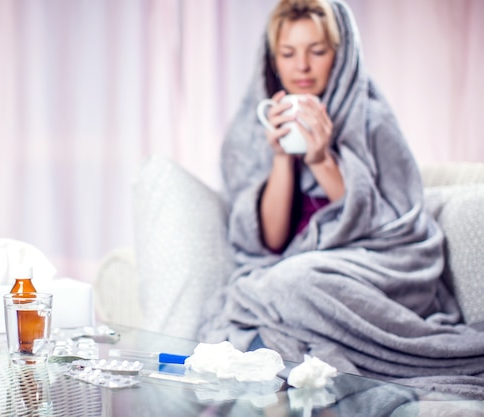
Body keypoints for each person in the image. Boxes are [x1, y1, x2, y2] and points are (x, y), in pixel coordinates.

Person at [198, 0, 484, 399]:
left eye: (317, 51)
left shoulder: (371, 119)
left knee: (285, 284)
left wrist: (321, 158)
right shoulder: (253, 128)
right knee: (273, 290)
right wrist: (283, 156)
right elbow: (270, 242)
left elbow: (389, 226)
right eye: (288, 53)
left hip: (369, 262)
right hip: (293, 267)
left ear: (341, 53)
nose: (302, 67)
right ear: (272, 59)